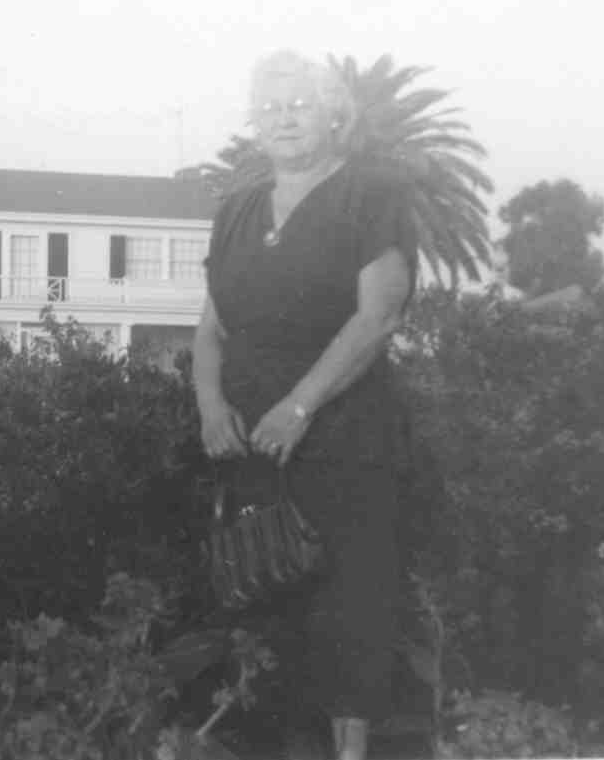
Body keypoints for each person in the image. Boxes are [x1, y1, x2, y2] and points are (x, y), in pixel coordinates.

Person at [192, 50, 418, 760]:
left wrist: (299, 407)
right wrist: (210, 406)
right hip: (249, 446)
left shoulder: (370, 193)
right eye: (271, 107)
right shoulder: (236, 209)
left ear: (333, 114)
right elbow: (211, 327)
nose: (284, 119)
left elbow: (378, 317)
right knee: (264, 601)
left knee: (352, 608)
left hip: (343, 437)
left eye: (299, 105)